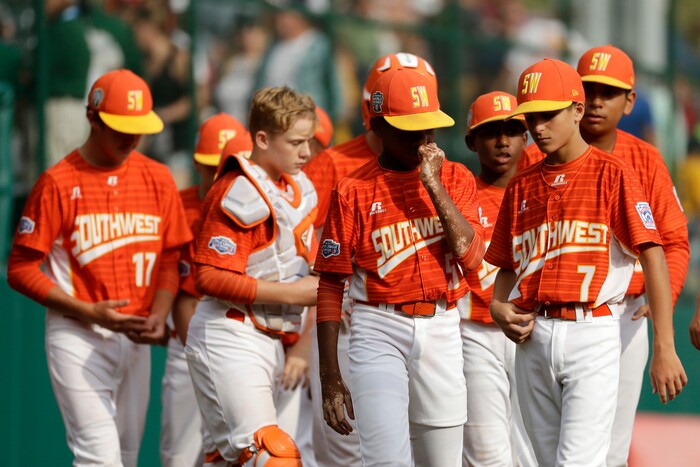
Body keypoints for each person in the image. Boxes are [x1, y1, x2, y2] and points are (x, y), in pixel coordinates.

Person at [486, 58, 687, 467]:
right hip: (533, 337)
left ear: (576, 110)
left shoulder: (615, 173)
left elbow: (655, 253)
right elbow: (507, 263)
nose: (537, 127)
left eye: (547, 115)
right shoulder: (522, 183)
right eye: (530, 117)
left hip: (595, 328)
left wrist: (665, 346)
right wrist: (496, 305)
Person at [7, 68, 192, 466]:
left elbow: (170, 257)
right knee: (99, 455)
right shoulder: (57, 182)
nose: (131, 137)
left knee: (124, 455)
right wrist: (86, 311)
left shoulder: (158, 178)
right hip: (78, 332)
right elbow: (21, 268)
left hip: (135, 335)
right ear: (92, 117)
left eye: (137, 127)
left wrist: (159, 313)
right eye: (119, 127)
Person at [314, 67, 486, 466]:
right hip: (377, 325)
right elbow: (330, 285)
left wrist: (434, 185)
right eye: (410, 128)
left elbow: (473, 258)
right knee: (385, 460)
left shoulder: (455, 177)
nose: (423, 139)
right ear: (378, 126)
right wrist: (330, 376)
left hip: (442, 323)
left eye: (429, 128)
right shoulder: (352, 189)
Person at [302, 52, 437, 467]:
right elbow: (308, 246)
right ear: (373, 113)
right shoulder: (334, 163)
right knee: (346, 449)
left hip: (428, 325)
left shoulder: (438, 167)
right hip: (347, 322)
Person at [185, 86, 319, 466]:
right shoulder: (239, 188)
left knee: (227, 459)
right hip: (230, 332)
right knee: (270, 455)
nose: (306, 152)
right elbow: (209, 277)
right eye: (295, 142)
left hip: (271, 338)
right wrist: (294, 294)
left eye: (307, 141)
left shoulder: (295, 186)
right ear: (262, 138)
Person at [160, 112, 251, 467]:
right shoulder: (179, 205)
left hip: (239, 343)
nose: (218, 175)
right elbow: (184, 294)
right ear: (197, 163)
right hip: (188, 343)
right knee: (179, 456)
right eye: (212, 166)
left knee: (233, 452)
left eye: (227, 166)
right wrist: (196, 354)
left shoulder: (250, 202)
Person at [461, 91, 537, 467]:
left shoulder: (542, 191)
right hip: (476, 331)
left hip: (534, 332)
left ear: (527, 137)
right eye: (491, 131)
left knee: (534, 451)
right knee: (487, 453)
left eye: (513, 130)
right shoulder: (460, 195)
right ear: (472, 140)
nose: (503, 141)